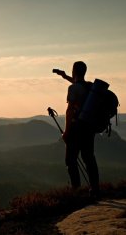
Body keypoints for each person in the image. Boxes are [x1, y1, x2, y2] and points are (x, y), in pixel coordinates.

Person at [55, 61, 100, 198]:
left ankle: (77, 192)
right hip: (88, 129)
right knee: (89, 158)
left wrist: (66, 132)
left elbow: (69, 112)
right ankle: (95, 189)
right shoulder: (90, 87)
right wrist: (64, 76)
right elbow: (78, 84)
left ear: (74, 71)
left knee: (70, 160)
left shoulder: (73, 89)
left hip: (75, 129)